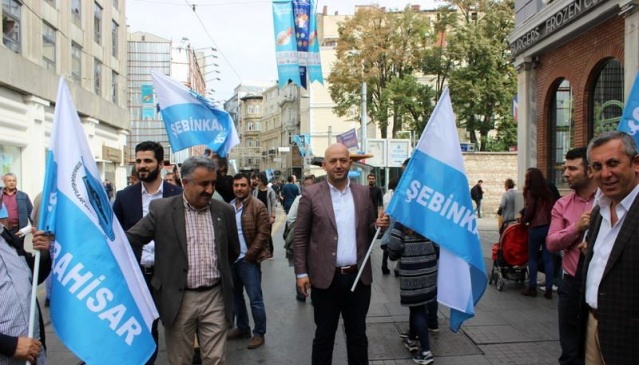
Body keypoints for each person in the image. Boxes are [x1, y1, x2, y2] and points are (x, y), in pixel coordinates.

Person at [126, 156, 240, 365]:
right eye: (203, 184)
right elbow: (130, 239)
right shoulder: (162, 210)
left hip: (215, 296)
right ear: (185, 183)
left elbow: (232, 251)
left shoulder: (224, 211)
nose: (210, 189)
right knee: (180, 360)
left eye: (213, 183)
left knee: (216, 360)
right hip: (178, 299)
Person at [294, 143, 389, 365]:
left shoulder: (364, 193)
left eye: (343, 161)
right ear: (324, 165)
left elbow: (368, 229)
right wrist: (301, 273)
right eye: (333, 161)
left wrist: (379, 226)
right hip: (325, 280)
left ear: (350, 163)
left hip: (358, 279)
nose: (338, 165)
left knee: (357, 336)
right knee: (324, 336)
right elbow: (300, 236)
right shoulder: (310, 194)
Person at [113, 141, 182, 365]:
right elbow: (116, 237)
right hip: (137, 276)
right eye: (139, 161)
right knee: (144, 329)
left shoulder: (178, 195)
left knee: (176, 327)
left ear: (161, 164)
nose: (141, 166)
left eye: (147, 161)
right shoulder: (125, 197)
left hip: (169, 276)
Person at [581, 131, 639, 365]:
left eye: (613, 163)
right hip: (593, 326)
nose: (606, 174)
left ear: (636, 164)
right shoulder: (598, 212)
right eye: (597, 166)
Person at [546, 146, 596, 365]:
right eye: (565, 168)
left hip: (601, 288)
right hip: (571, 284)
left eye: (572, 168)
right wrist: (576, 227)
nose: (565, 173)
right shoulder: (562, 205)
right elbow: (551, 243)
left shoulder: (607, 201)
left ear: (589, 171)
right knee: (570, 351)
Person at [227, 173, 271, 349]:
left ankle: (259, 333)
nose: (239, 188)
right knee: (236, 298)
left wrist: (249, 256)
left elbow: (263, 234)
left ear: (249, 187)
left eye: (242, 185)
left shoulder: (258, 206)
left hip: (248, 261)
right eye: (236, 185)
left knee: (255, 299)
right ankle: (242, 328)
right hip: (232, 261)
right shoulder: (229, 207)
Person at [0, 215, 52, 365]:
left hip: (35, 352)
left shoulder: (6, 237)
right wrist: (10, 345)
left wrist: (42, 254)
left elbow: (31, 279)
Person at [386, 223, 438, 365]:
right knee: (417, 307)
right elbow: (438, 245)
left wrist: (394, 255)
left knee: (417, 310)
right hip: (429, 269)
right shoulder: (429, 217)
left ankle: (426, 352)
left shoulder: (403, 221)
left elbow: (393, 248)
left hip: (412, 272)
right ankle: (412, 339)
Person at [520, 168, 557, 298]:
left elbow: (530, 211)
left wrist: (524, 221)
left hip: (535, 228)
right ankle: (548, 289)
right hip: (549, 227)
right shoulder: (548, 192)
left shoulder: (531, 192)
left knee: (533, 258)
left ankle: (532, 287)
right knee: (548, 258)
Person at [285, 175, 316, 302]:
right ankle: (313, 295)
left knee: (302, 263)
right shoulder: (318, 199)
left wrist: (298, 227)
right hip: (313, 239)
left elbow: (289, 219)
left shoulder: (299, 199)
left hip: (304, 239)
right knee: (313, 265)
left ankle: (301, 293)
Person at [2, 173, 33, 246]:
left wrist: (34, 228)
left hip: (17, 229)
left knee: (18, 252)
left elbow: (31, 214)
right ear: (4, 182)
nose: (12, 182)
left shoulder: (23, 196)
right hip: (2, 229)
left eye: (14, 180)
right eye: (9, 181)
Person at [251, 172, 277, 257]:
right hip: (257, 217)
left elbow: (273, 204)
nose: (257, 181)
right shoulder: (255, 191)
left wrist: (272, 216)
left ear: (262, 180)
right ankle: (260, 251)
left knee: (267, 234)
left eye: (258, 179)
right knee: (257, 234)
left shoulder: (270, 191)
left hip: (267, 216)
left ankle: (270, 251)